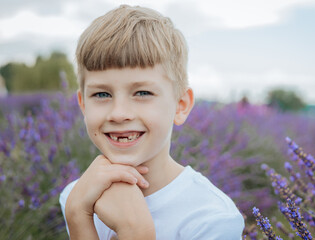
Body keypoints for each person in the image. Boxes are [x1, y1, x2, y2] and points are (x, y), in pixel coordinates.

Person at [59, 4, 245, 240]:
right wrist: (77, 215)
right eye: (102, 94)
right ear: (83, 105)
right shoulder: (76, 197)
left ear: (181, 105)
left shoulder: (211, 220)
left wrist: (136, 232)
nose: (119, 114)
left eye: (142, 93)